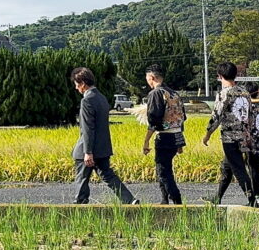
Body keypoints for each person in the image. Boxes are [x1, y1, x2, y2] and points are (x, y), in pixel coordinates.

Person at [70, 67, 137, 204]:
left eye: (76, 84)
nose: (76, 88)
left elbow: (88, 128)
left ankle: (79, 204)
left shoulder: (86, 101)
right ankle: (130, 200)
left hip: (88, 148)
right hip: (103, 147)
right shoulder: (101, 98)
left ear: (82, 83)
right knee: (108, 175)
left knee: (82, 178)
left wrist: (88, 152)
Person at [202, 62, 257, 207]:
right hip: (244, 136)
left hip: (230, 137)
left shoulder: (224, 93)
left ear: (220, 76)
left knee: (238, 169)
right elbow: (251, 115)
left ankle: (252, 200)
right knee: (227, 167)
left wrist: (208, 134)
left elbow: (216, 116)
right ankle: (217, 197)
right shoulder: (245, 93)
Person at [141, 64, 186, 205]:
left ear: (152, 77)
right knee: (165, 168)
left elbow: (154, 119)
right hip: (176, 135)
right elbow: (182, 117)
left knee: (163, 171)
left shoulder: (156, 94)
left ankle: (176, 200)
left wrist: (146, 141)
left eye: (147, 78)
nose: (147, 82)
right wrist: (180, 143)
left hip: (164, 136)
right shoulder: (174, 93)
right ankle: (164, 199)